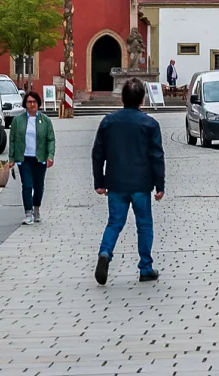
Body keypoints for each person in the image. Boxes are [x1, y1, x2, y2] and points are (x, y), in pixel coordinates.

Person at [91, 78, 165, 284]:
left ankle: (105, 253)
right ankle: (145, 267)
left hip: (115, 182)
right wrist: (160, 185)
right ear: (142, 100)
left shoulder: (108, 122)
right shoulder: (150, 124)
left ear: (122, 98)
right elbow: (156, 156)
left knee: (114, 222)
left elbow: (98, 153)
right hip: (141, 183)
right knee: (144, 225)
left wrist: (99, 181)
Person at [8, 90, 56, 224]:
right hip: (24, 159)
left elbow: (50, 139)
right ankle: (28, 212)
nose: (32, 104)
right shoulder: (18, 120)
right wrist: (11, 159)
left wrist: (50, 155)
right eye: (29, 102)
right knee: (27, 185)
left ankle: (36, 208)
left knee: (39, 186)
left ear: (38, 103)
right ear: (25, 104)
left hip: (39, 158)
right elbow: (12, 139)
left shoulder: (45, 121)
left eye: (34, 102)